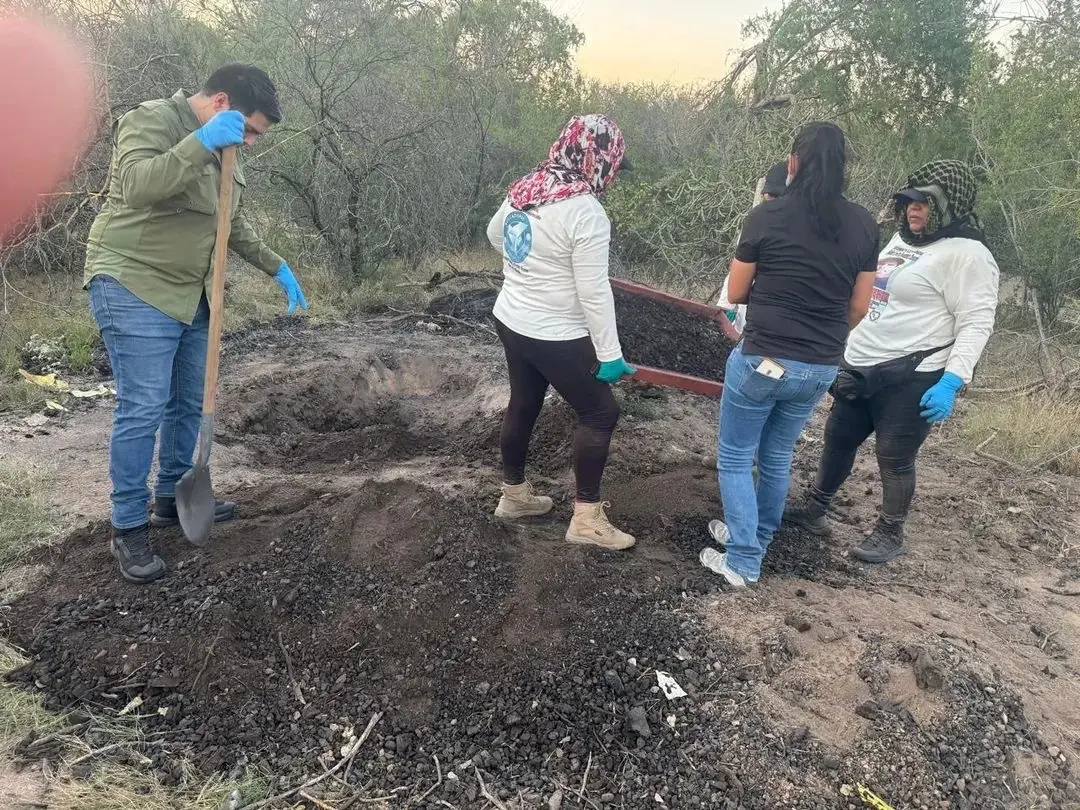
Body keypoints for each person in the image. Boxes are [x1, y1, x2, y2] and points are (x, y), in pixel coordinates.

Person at [85, 64, 309, 584]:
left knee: (188, 400)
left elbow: (229, 219)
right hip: (134, 281)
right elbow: (139, 186)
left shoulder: (226, 148)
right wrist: (201, 141)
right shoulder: (152, 121)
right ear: (222, 103)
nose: (250, 142)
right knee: (143, 405)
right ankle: (127, 527)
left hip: (193, 290)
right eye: (250, 130)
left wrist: (276, 265)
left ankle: (171, 496)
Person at [786, 160, 999, 563]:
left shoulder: (969, 255)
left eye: (925, 203)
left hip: (913, 374)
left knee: (894, 457)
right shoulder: (902, 241)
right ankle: (815, 509)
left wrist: (952, 381)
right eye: (909, 202)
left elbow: (976, 322)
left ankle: (890, 531)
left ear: (950, 204)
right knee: (838, 438)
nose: (914, 210)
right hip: (862, 362)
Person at [699, 122, 879, 588]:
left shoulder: (767, 217)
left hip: (763, 359)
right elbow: (859, 307)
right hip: (821, 367)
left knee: (737, 457)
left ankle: (742, 561)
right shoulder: (863, 224)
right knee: (777, 457)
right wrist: (819, 343)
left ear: (793, 164)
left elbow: (737, 291)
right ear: (844, 169)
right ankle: (754, 536)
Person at [486, 114, 637, 551]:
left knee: (525, 400)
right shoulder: (586, 212)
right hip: (553, 332)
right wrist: (610, 354)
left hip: (512, 318)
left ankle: (514, 497)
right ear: (598, 160)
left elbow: (497, 234)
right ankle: (587, 519)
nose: (613, 175)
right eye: (612, 165)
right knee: (599, 413)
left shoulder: (528, 187)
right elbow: (594, 292)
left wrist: (528, 265)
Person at [717, 161, 789, 333]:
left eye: (778, 199)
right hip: (744, 331)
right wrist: (726, 309)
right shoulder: (756, 223)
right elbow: (735, 272)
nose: (772, 205)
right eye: (769, 197)